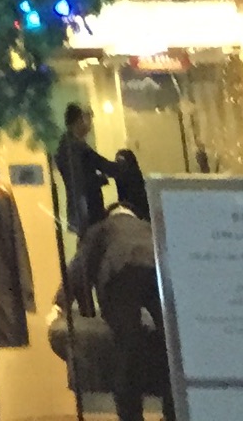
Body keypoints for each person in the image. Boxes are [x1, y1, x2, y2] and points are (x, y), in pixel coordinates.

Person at [62, 152, 168, 421]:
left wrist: (60, 302)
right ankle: (173, 411)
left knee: (126, 347)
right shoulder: (147, 226)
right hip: (157, 270)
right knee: (168, 344)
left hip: (121, 273)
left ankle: (131, 415)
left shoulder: (103, 228)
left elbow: (80, 265)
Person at [55, 102, 118, 237]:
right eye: (88, 117)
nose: (90, 123)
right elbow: (87, 174)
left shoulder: (71, 146)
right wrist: (117, 169)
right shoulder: (74, 147)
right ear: (79, 120)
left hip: (84, 208)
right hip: (86, 208)